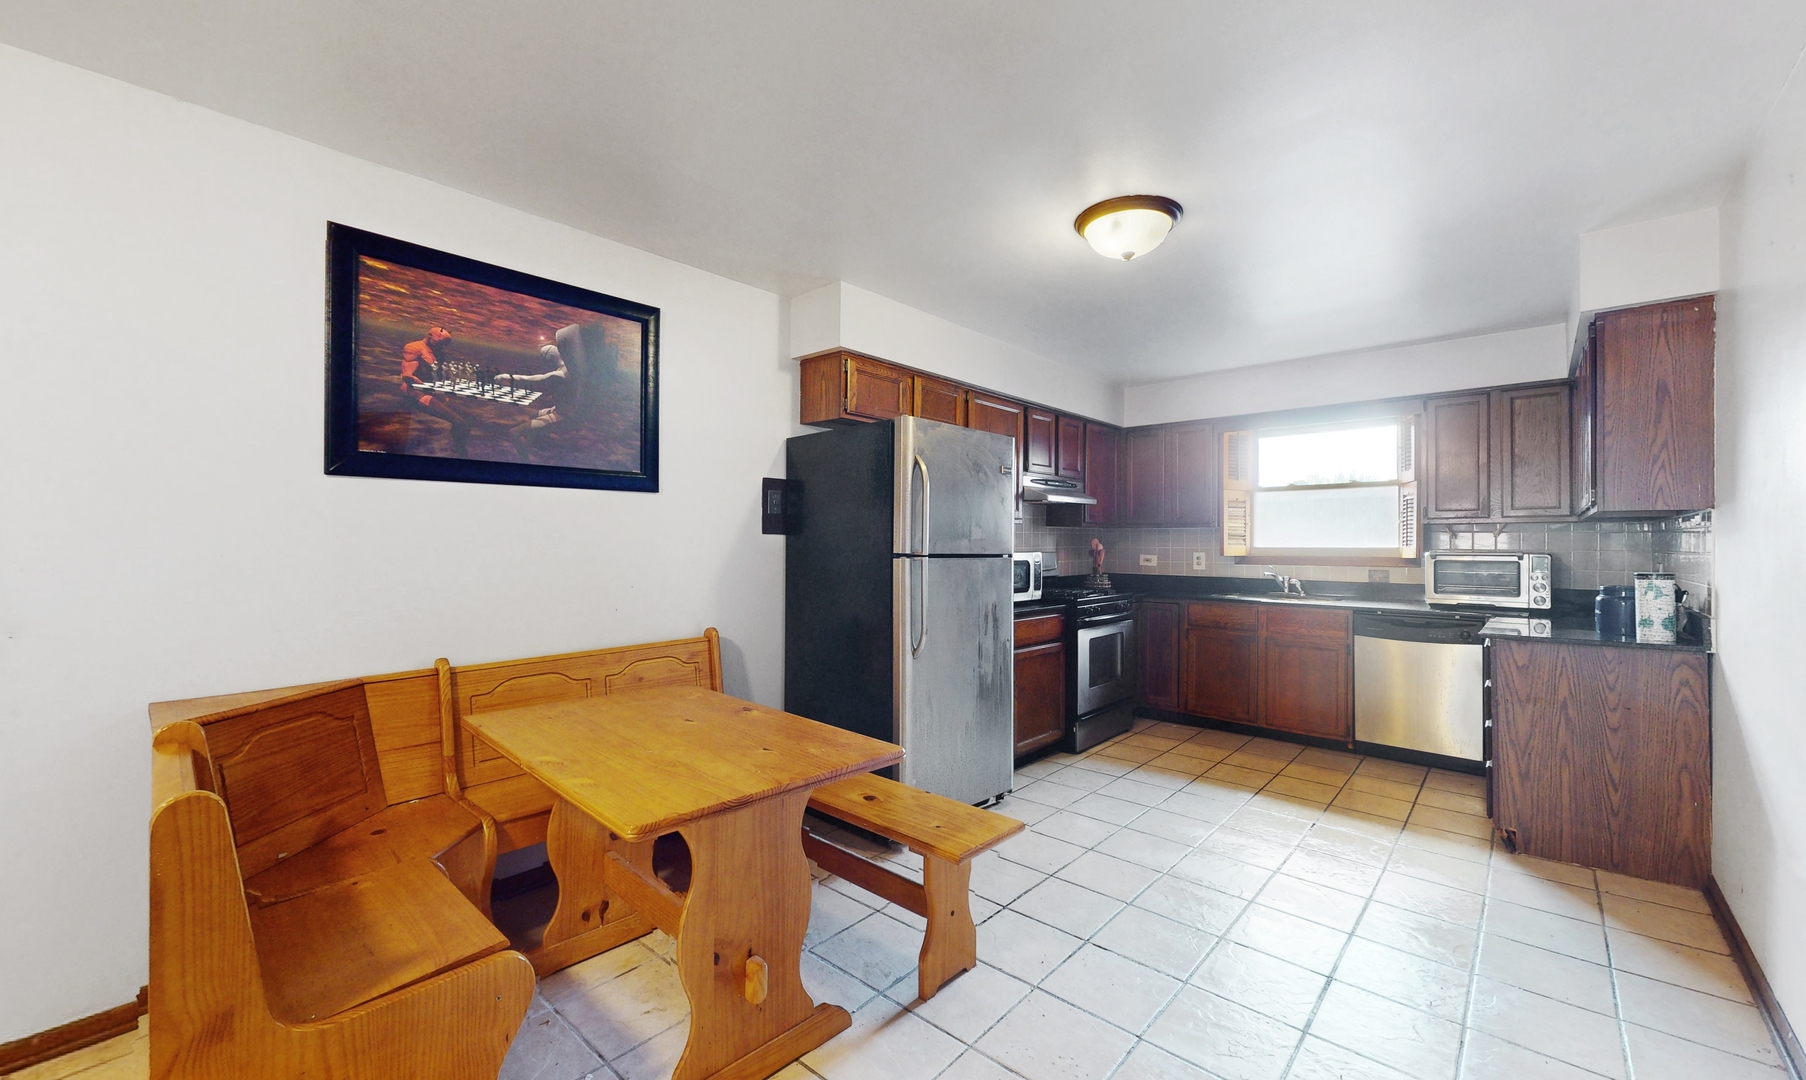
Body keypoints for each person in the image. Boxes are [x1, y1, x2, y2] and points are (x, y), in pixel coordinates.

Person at [399, 326, 475, 454]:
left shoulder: (438, 352)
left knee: (469, 417)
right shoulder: (414, 348)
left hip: (431, 392)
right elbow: (407, 376)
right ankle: (460, 451)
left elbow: (439, 375)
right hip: (415, 393)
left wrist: (445, 391)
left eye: (444, 345)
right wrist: (422, 385)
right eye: (440, 343)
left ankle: (458, 448)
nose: (442, 347)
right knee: (459, 422)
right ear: (430, 336)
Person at [494, 343, 570, 457]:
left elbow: (536, 378)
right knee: (534, 415)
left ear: (551, 357)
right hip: (559, 408)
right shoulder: (566, 368)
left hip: (563, 414)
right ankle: (530, 446)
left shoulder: (559, 374)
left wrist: (507, 377)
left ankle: (525, 462)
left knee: (514, 433)